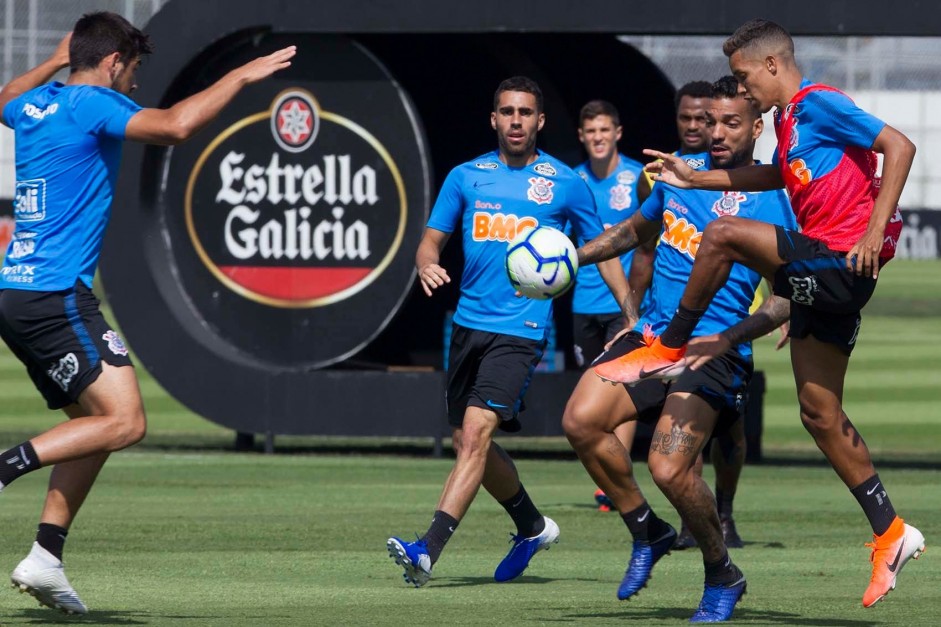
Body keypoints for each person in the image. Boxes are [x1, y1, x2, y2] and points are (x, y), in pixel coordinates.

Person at [607, 18, 926, 608]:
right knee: (819, 412)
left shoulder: (819, 102)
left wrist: (874, 229)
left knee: (724, 234)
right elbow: (776, 174)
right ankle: (890, 531)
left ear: (772, 66)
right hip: (826, 276)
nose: (741, 87)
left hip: (838, 260)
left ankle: (670, 344)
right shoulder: (790, 128)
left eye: (743, 76)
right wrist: (695, 177)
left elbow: (899, 145)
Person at [0, 12, 295, 614]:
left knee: (96, 428)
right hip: (58, 296)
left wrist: (56, 59)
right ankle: (5, 468)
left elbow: (4, 95)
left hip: (16, 294)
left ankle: (46, 558)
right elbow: (177, 126)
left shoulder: (36, 104)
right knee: (127, 423)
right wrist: (240, 75)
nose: (133, 83)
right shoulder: (91, 105)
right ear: (112, 63)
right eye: (132, 70)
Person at [386, 76, 632, 588]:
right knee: (465, 440)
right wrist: (426, 264)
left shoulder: (565, 182)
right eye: (507, 112)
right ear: (493, 119)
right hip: (467, 324)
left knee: (476, 434)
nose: (516, 120)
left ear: (540, 121)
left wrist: (629, 307)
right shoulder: (466, 177)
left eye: (525, 112)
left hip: (521, 329)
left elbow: (604, 246)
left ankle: (426, 550)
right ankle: (531, 525)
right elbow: (430, 241)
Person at [567, 75, 796, 622]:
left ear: (757, 126)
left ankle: (722, 572)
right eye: (709, 121)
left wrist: (735, 335)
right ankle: (646, 530)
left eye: (731, 122)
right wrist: (570, 259)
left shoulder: (775, 201)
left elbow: (788, 297)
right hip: (653, 339)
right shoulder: (677, 179)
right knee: (581, 423)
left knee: (668, 469)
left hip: (710, 352)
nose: (715, 132)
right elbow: (630, 234)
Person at [570, 100, 653, 513]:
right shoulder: (573, 181)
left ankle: (616, 486)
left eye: (605, 130)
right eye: (591, 132)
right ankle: (611, 478)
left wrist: (636, 303)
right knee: (592, 397)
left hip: (627, 305)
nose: (598, 138)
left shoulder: (638, 177)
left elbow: (649, 241)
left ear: (617, 132)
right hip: (583, 303)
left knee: (623, 392)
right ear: (582, 136)